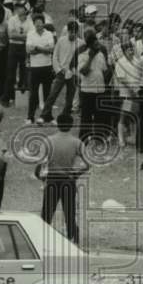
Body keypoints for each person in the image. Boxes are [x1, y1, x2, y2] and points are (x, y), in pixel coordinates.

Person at [40, 113, 88, 243]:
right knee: (69, 211)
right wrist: (76, 174)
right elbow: (88, 163)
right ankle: (73, 236)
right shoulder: (77, 142)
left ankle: (41, 237)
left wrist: (41, 177)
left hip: (52, 179)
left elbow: (41, 163)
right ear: (71, 125)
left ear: (58, 124)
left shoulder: (48, 141)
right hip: (68, 179)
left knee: (47, 211)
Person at [77, 27, 109, 147]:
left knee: (100, 117)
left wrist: (103, 80)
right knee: (86, 117)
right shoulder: (82, 55)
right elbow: (83, 72)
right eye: (95, 44)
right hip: (87, 91)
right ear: (90, 45)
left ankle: (99, 139)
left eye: (98, 43)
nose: (98, 46)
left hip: (100, 90)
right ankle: (83, 140)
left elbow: (105, 70)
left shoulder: (101, 54)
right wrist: (90, 57)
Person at [25, 13, 55, 124]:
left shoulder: (49, 34)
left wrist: (37, 48)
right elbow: (29, 50)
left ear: (43, 23)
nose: (38, 25)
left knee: (48, 93)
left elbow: (51, 49)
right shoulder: (30, 34)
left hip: (47, 66)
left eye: (40, 23)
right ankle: (30, 117)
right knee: (33, 93)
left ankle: (48, 116)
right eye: (36, 24)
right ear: (34, 24)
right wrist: (43, 49)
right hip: (34, 67)